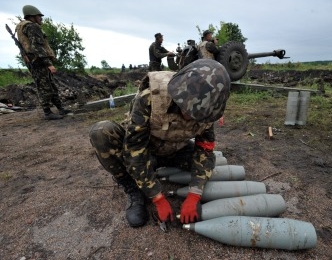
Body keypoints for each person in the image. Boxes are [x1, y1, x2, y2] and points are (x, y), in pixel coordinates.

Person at [89, 59, 231, 228]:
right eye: (188, 110)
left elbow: (205, 150)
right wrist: (157, 197)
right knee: (101, 132)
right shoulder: (150, 98)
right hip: (145, 150)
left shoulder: (207, 111)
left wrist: (194, 195)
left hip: (175, 150)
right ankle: (133, 188)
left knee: (207, 162)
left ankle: (155, 170)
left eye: (197, 115)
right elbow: (135, 150)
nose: (191, 117)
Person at [15, 5, 71, 120]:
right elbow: (37, 47)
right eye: (39, 16)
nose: (41, 18)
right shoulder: (32, 27)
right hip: (39, 62)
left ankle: (60, 108)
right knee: (45, 87)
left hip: (33, 61)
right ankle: (47, 112)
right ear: (32, 16)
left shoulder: (22, 27)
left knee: (50, 85)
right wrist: (48, 63)